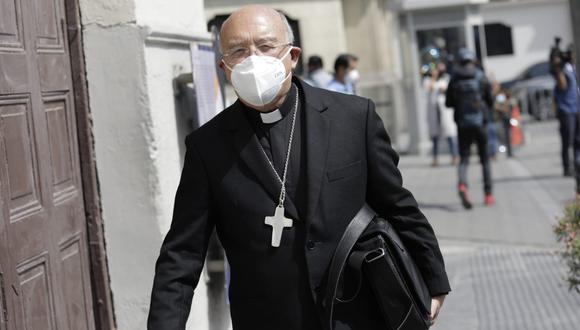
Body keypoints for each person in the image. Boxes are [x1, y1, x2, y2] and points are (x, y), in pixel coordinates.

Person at [148, 5, 450, 330]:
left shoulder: (352, 118)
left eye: (265, 47)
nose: (253, 59)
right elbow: (182, 253)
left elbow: (398, 205)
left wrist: (433, 281)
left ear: (292, 56)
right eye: (239, 51)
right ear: (225, 67)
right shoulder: (208, 146)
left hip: (358, 311)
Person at [446, 48, 495, 209]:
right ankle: (488, 195)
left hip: (462, 124)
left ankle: (462, 185)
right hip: (480, 124)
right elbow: (490, 100)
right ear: (473, 60)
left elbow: (448, 103)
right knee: (485, 160)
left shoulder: (454, 79)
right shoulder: (481, 76)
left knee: (464, 158)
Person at [552, 45, 579, 183]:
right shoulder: (561, 70)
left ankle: (576, 165)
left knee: (577, 140)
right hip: (566, 110)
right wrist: (558, 66)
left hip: (575, 109)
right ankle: (567, 167)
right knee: (567, 141)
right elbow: (562, 85)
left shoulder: (571, 68)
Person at [423, 62, 458, 166]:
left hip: (445, 111)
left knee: (450, 134)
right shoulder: (427, 80)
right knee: (435, 137)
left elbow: (450, 90)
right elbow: (429, 88)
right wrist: (433, 77)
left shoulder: (446, 78)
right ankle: (435, 159)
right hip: (434, 111)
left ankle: (454, 156)